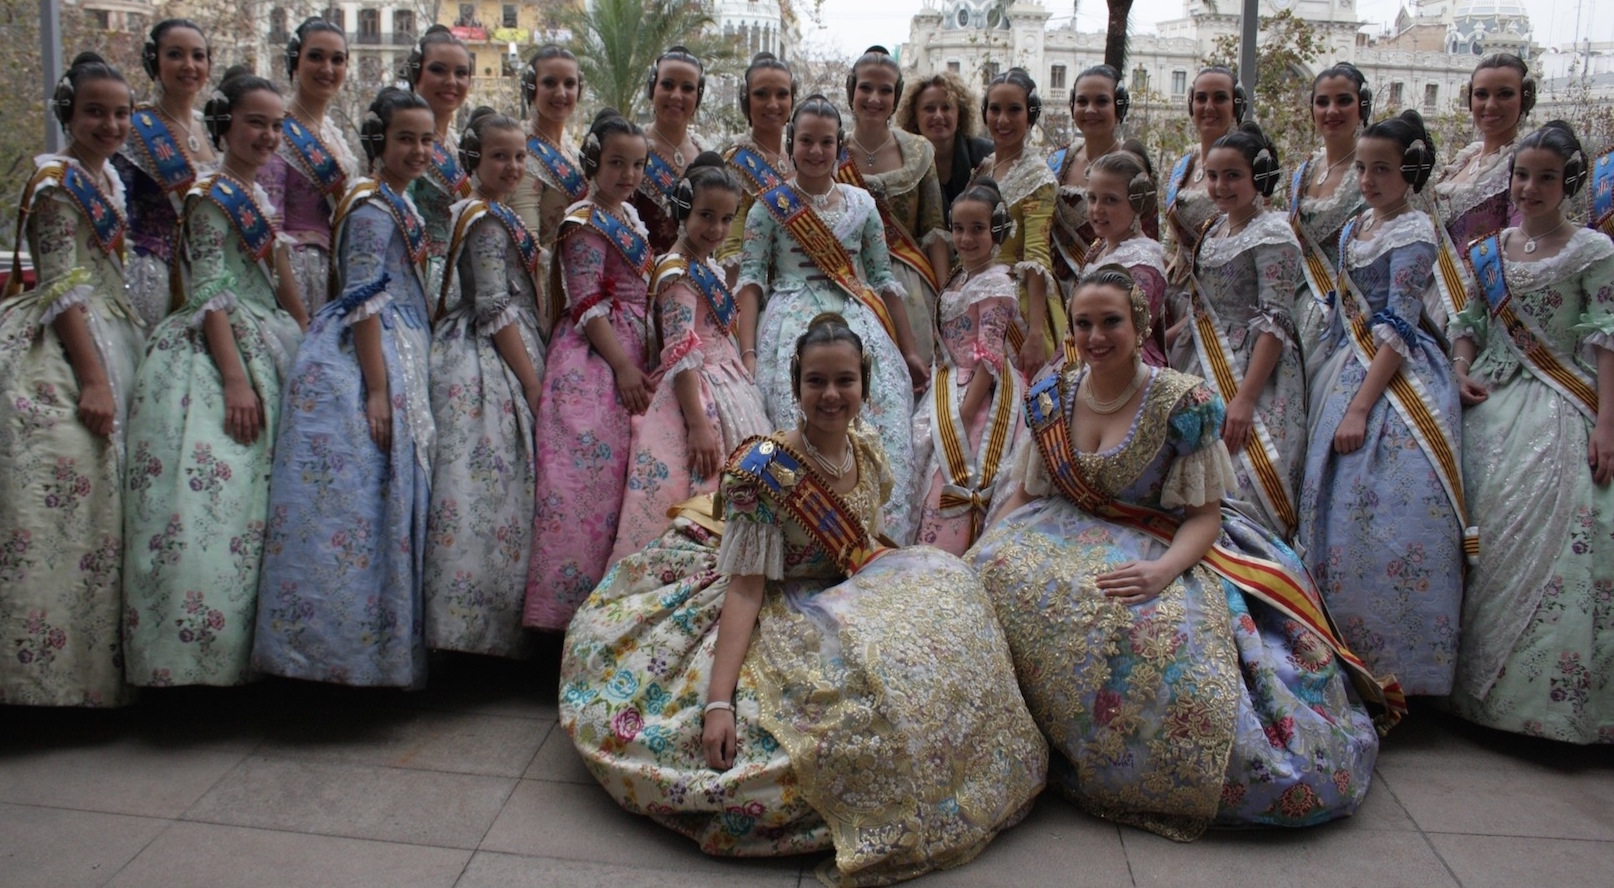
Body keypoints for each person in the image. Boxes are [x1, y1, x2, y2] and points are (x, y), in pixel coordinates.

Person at [560, 313, 1047, 885]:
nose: (831, 395)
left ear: (864, 384)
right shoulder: (762, 473)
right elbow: (745, 588)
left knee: (952, 601)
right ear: (796, 384)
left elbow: (864, 538)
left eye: (844, 380)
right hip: (772, 600)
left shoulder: (864, 448)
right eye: (816, 381)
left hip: (842, 591)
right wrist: (718, 705)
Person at [969, 266, 1392, 842]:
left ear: (1140, 323)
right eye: (1084, 324)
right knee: (994, 577)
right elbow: (1027, 492)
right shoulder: (1055, 394)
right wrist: (980, 552)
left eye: (1111, 322)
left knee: (1142, 625)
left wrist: (1161, 572)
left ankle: (1128, 762)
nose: (1095, 337)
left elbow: (1204, 518)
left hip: (1167, 539)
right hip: (1059, 531)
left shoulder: (1180, 401)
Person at [122, 69, 306, 687]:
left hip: (268, 334)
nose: (268, 136)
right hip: (217, 349)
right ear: (225, 123)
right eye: (256, 123)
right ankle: (196, 659)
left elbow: (283, 281)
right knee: (214, 497)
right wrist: (234, 379)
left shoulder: (254, 196)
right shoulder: (208, 196)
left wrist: (311, 340)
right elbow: (208, 292)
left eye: (276, 125)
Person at [252, 87, 438, 688]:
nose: (418, 150)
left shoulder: (399, 202)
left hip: (403, 344)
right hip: (370, 355)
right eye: (405, 138)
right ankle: (337, 654)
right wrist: (377, 391)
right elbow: (362, 300)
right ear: (378, 140)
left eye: (426, 140)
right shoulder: (370, 207)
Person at [1447, 121, 1614, 743]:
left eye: (1546, 177)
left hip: (1561, 407)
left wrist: (1606, 423)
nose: (1530, 187)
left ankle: (1538, 705)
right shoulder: (1489, 250)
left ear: (1570, 182)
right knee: (1475, 535)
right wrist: (1459, 368)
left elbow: (1606, 338)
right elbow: (1470, 321)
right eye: (1522, 175)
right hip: (1491, 398)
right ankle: (1466, 692)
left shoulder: (1592, 250)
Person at [1298, 111, 1471, 696]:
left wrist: (1359, 408)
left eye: (1383, 170)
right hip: (1344, 366)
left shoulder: (1414, 230)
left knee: (1387, 513)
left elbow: (1399, 326)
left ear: (1410, 171)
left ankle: (1400, 668)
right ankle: (1339, 656)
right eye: (1363, 169)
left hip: (1392, 381)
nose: (1369, 180)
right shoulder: (1356, 226)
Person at [0, 53, 144, 707]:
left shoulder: (106, 177)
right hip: (71, 341)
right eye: (95, 112)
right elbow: (60, 286)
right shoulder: (56, 183)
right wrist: (93, 380)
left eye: (120, 113)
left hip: (117, 329)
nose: (110, 125)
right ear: (68, 113)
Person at [734, 95, 923, 544]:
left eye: (826, 142)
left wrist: (909, 350)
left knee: (882, 417)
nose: (816, 151)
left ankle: (878, 537)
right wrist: (749, 353)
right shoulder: (767, 206)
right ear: (791, 143)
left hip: (857, 321)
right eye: (806, 141)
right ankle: (809, 539)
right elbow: (751, 281)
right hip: (788, 326)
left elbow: (882, 279)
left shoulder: (862, 204)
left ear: (840, 147)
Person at [422, 108, 547, 659]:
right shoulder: (486, 220)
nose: (512, 166)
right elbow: (493, 305)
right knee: (492, 483)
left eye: (519, 156)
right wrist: (532, 384)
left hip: (505, 340)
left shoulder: (494, 212)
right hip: (489, 356)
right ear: (474, 157)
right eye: (500, 156)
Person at [523, 110, 654, 631]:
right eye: (617, 163)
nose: (628, 174)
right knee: (584, 484)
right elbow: (586, 301)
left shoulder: (628, 217)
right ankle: (562, 616)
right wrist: (623, 366)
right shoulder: (583, 221)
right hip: (596, 361)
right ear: (594, 161)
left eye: (637, 165)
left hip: (634, 348)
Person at [610, 154, 770, 560]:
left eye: (726, 219)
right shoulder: (679, 274)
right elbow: (681, 353)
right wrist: (698, 425)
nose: (716, 229)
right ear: (683, 210)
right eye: (706, 216)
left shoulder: (703, 265)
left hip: (726, 379)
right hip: (697, 392)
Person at [1173, 122, 1306, 540]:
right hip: (1201, 360)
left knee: (1245, 478)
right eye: (1213, 175)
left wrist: (1245, 399)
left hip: (1254, 373)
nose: (1219, 186)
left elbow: (1276, 321)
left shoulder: (1273, 233)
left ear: (1258, 177)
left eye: (1233, 175)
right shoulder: (1213, 230)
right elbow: (1202, 307)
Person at [911, 181, 1026, 555]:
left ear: (997, 230)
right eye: (959, 229)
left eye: (977, 229)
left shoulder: (995, 284)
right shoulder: (961, 277)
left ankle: (960, 550)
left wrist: (963, 414)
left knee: (959, 465)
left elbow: (989, 358)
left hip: (980, 392)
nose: (966, 238)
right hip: (948, 382)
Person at [838, 46, 949, 368]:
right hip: (847, 283)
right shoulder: (830, 149)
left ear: (896, 96)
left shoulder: (918, 151)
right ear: (851, 91)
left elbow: (933, 229)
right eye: (866, 88)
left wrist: (945, 299)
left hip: (910, 288)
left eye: (885, 90)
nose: (875, 98)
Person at [115, 18, 216, 328]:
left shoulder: (212, 130)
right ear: (153, 61)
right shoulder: (135, 128)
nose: (189, 65)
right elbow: (115, 211)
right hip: (156, 277)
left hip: (213, 273)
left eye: (198, 56)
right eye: (175, 54)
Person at [257, 16, 360, 316]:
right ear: (295, 60)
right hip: (297, 277)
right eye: (316, 57)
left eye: (337, 60)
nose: (327, 69)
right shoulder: (279, 131)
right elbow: (270, 232)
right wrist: (298, 315)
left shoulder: (334, 134)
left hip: (337, 273)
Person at [1429, 53, 1533, 331]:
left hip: (1480, 301)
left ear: (1525, 99)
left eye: (1504, 94)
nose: (1490, 105)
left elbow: (1521, 242)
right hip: (1434, 288)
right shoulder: (1465, 159)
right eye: (1482, 94)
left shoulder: (1524, 166)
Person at [974, 67, 1061, 373]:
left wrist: (1035, 333)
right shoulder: (984, 168)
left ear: (1030, 114)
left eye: (1014, 110)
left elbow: (1037, 257)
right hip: (976, 293)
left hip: (1017, 307)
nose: (1003, 120)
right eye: (995, 109)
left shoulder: (1038, 176)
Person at [1048, 65, 1158, 302]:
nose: (1090, 110)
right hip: (1055, 295)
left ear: (1119, 106)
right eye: (1082, 101)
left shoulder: (1134, 165)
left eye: (1101, 101)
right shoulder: (1058, 161)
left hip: (1112, 290)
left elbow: (1147, 234)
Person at [1163, 67, 1242, 368]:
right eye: (1201, 98)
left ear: (1236, 104)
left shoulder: (1245, 165)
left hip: (1220, 304)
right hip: (1176, 294)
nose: (1209, 107)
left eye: (1219, 98)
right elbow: (1172, 241)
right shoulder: (1184, 164)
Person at [1290, 63, 1371, 356]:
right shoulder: (1304, 171)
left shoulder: (1373, 171)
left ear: (1362, 107)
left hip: (1354, 309)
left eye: (1344, 101)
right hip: (1296, 298)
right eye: (1322, 102)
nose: (1332, 111)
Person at [510, 43, 586, 336]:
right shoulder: (521, 151)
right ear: (532, 87)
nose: (561, 93)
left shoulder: (570, 149)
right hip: (543, 289)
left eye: (569, 84)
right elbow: (527, 240)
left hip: (577, 278)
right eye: (550, 83)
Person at [404, 25, 472, 309]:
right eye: (438, 70)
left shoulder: (459, 146)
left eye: (461, 73)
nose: (451, 82)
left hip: (463, 276)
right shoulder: (401, 140)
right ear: (416, 72)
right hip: (416, 277)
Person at [1081, 148, 1168, 367]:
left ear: (1137, 203)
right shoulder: (1100, 247)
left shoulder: (1142, 261)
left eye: (1110, 200)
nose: (1097, 209)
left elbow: (1130, 333)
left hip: (1124, 363)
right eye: (1092, 198)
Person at [719, 52, 794, 286]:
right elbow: (728, 245)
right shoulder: (736, 162)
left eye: (782, 94)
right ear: (746, 100)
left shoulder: (802, 155)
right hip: (754, 288)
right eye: (761, 94)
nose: (773, 104)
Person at [635, 46, 707, 253]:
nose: (676, 96)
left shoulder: (703, 153)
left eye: (687, 88)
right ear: (652, 88)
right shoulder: (632, 149)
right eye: (667, 85)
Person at [896, 71, 992, 220]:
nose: (938, 115)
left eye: (946, 108)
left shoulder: (986, 154)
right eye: (929, 108)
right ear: (914, 116)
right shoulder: (900, 159)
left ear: (960, 113)